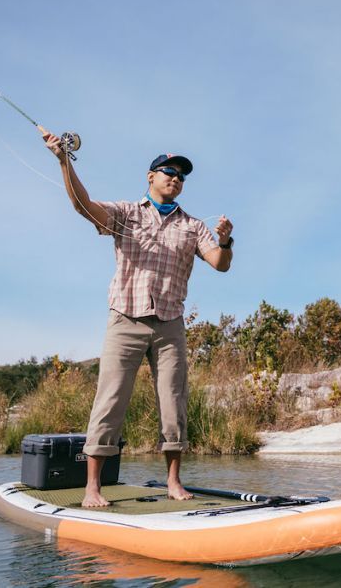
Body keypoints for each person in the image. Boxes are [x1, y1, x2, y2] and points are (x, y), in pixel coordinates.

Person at [44, 131, 234, 507]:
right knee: (110, 399)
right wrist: (64, 160)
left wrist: (226, 240)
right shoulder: (126, 213)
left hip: (170, 324)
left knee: (174, 401)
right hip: (125, 318)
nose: (176, 179)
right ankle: (92, 488)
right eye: (169, 172)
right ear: (151, 176)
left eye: (181, 176)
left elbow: (220, 264)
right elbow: (83, 206)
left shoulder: (193, 226)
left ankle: (174, 482)